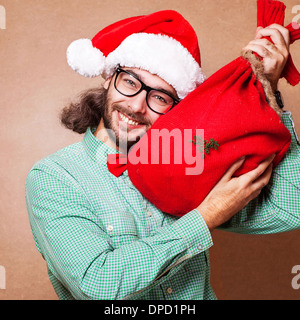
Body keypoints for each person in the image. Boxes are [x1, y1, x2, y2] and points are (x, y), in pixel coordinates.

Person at [25, 10, 300, 300]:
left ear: (175, 109)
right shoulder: (54, 177)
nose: (137, 106)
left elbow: (293, 206)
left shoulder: (197, 166)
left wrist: (267, 87)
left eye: (160, 97)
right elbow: (97, 285)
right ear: (108, 78)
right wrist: (205, 217)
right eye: (130, 82)